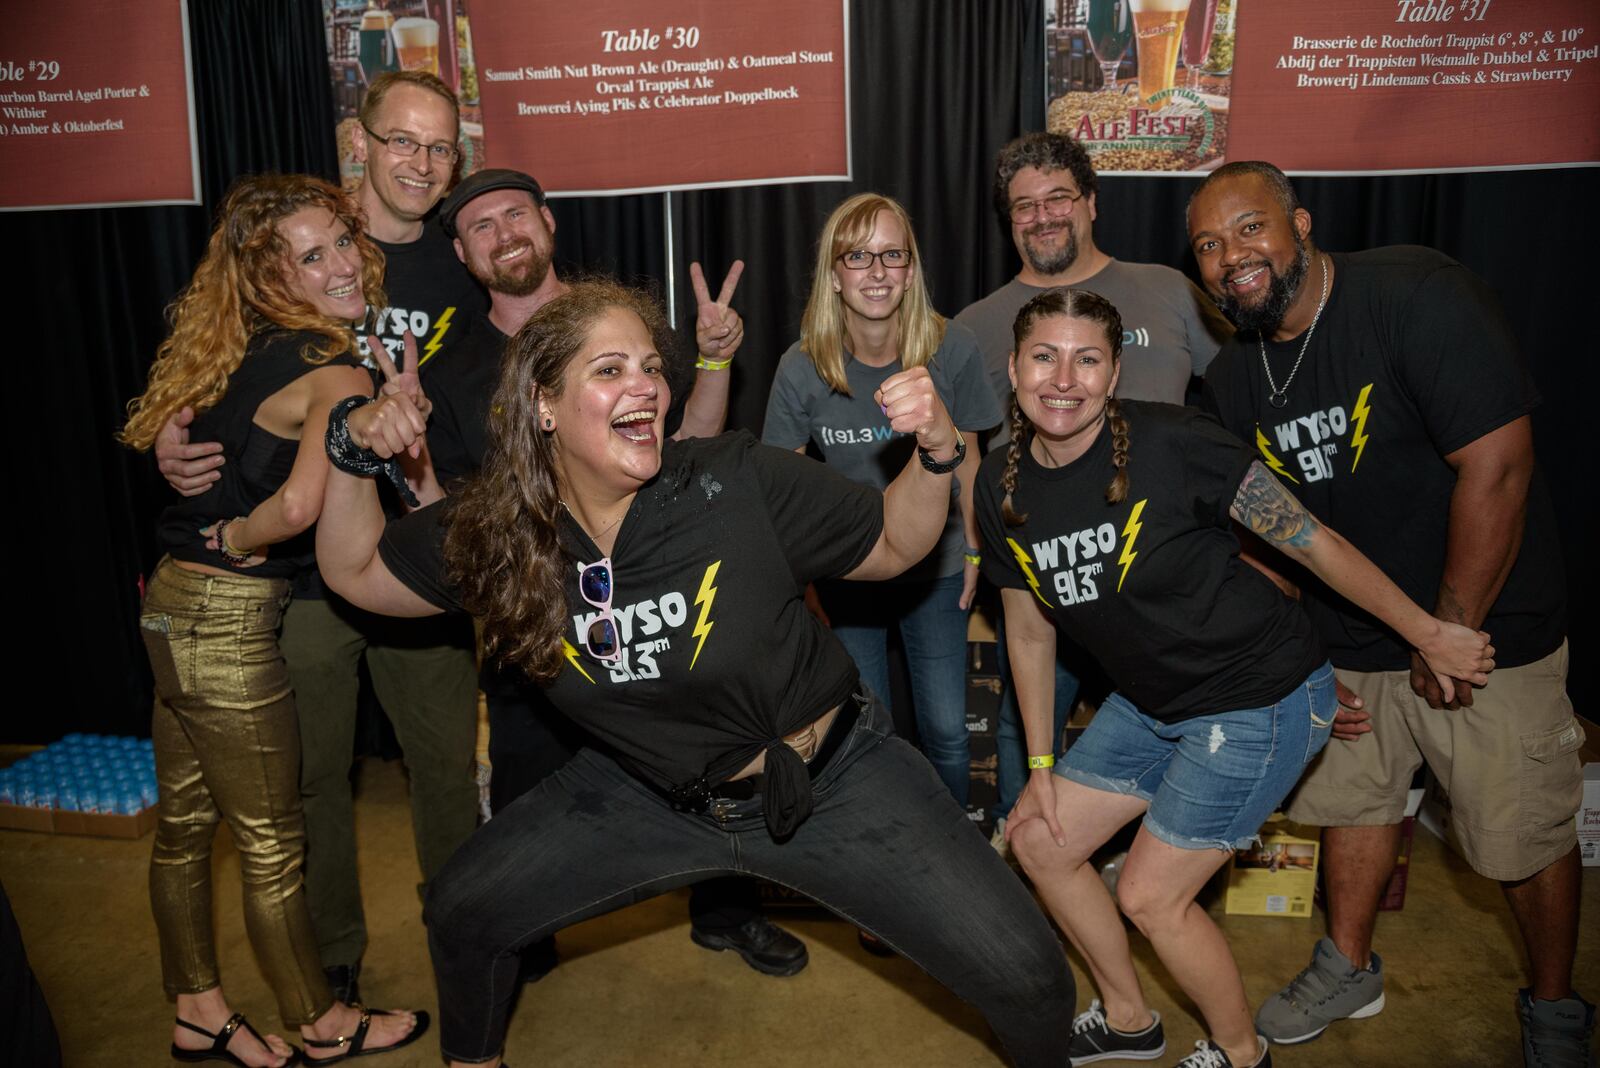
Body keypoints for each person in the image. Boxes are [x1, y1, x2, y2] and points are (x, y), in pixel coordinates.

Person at [313, 279, 1075, 1067]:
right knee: (465, 911)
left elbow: (894, 545)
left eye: (651, 368)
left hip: (833, 779)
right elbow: (356, 570)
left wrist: (938, 452)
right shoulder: (503, 531)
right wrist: (350, 448)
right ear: (543, 403)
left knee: (1031, 979)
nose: (644, 385)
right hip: (647, 790)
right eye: (609, 371)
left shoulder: (733, 480)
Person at [977, 287, 1492, 1068]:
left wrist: (1427, 632)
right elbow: (1027, 624)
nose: (1064, 379)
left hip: (1261, 696)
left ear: (1115, 374)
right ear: (1013, 368)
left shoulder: (1177, 443)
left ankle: (1241, 1055)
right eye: (1045, 356)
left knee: (1151, 896)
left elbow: (1311, 542)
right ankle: (1127, 1020)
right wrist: (1041, 767)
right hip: (1156, 701)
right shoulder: (998, 484)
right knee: (1039, 840)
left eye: (1088, 360)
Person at [1190, 161, 1590, 1066]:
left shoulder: (1415, 295)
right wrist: (1308, 653)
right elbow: (1267, 542)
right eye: (1209, 247)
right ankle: (1349, 963)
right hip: (1353, 639)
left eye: (1249, 229)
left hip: (1488, 632)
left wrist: (1447, 629)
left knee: (1520, 829)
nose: (1230, 258)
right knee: (1353, 806)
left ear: (1299, 222)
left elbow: (1500, 465)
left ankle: (1558, 1005)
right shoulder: (1232, 378)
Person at [422, 167, 808, 978]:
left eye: (516, 215)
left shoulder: (623, 327)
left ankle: (726, 909)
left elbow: (690, 444)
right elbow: (448, 515)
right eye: (482, 226)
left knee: (706, 755)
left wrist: (708, 361)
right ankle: (525, 932)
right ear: (462, 252)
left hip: (664, 599)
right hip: (536, 618)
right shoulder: (451, 368)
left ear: (549, 222)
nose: (504, 234)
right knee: (529, 772)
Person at [151, 70, 485, 1005]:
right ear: (361, 144)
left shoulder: (465, 253)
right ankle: (331, 957)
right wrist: (175, 444)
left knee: (445, 769)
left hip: (417, 559)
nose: (421, 162)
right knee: (309, 781)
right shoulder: (287, 251)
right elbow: (212, 379)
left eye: (439, 146)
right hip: (298, 584)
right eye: (402, 141)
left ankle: (468, 941)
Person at [119, 174, 427, 1066]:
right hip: (224, 617)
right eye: (311, 255)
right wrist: (243, 535)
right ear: (268, 277)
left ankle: (198, 1009)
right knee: (270, 840)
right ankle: (322, 1023)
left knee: (184, 828)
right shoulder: (330, 366)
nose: (339, 264)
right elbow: (296, 508)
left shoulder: (237, 350)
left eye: (340, 240)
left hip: (170, 608)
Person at [954, 132, 1233, 843]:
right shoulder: (977, 328)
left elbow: (1242, 393)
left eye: (1059, 198)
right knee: (1030, 729)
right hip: (1058, 589)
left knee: (1188, 739)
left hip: (1173, 591)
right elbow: (962, 448)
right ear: (1008, 220)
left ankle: (1152, 874)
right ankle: (1036, 872)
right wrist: (974, 544)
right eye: (1024, 206)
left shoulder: (1167, 291)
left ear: (1092, 204)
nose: (1042, 217)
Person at [763, 192, 1002, 807]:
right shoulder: (801, 366)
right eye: (858, 256)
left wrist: (977, 553)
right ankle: (892, 859)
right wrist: (804, 582)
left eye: (891, 254)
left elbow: (971, 458)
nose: (876, 271)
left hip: (939, 568)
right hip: (850, 576)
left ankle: (956, 857)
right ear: (835, 275)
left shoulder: (954, 347)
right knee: (867, 735)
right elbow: (784, 492)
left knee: (948, 730)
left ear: (911, 268)